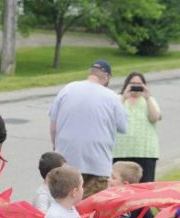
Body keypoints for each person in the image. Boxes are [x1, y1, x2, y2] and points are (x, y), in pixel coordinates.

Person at [49, 60, 127, 198]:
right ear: (107, 77)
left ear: (90, 73)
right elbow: (123, 127)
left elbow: (53, 125)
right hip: (97, 164)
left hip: (67, 161)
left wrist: (56, 147)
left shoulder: (68, 89)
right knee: (93, 210)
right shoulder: (112, 97)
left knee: (65, 205)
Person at [113, 72, 162, 183]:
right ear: (126, 84)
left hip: (145, 151)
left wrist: (148, 97)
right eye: (132, 83)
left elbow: (155, 117)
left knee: (145, 186)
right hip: (120, 151)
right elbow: (112, 117)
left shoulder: (149, 100)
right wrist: (124, 97)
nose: (135, 86)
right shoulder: (118, 99)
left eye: (139, 84)